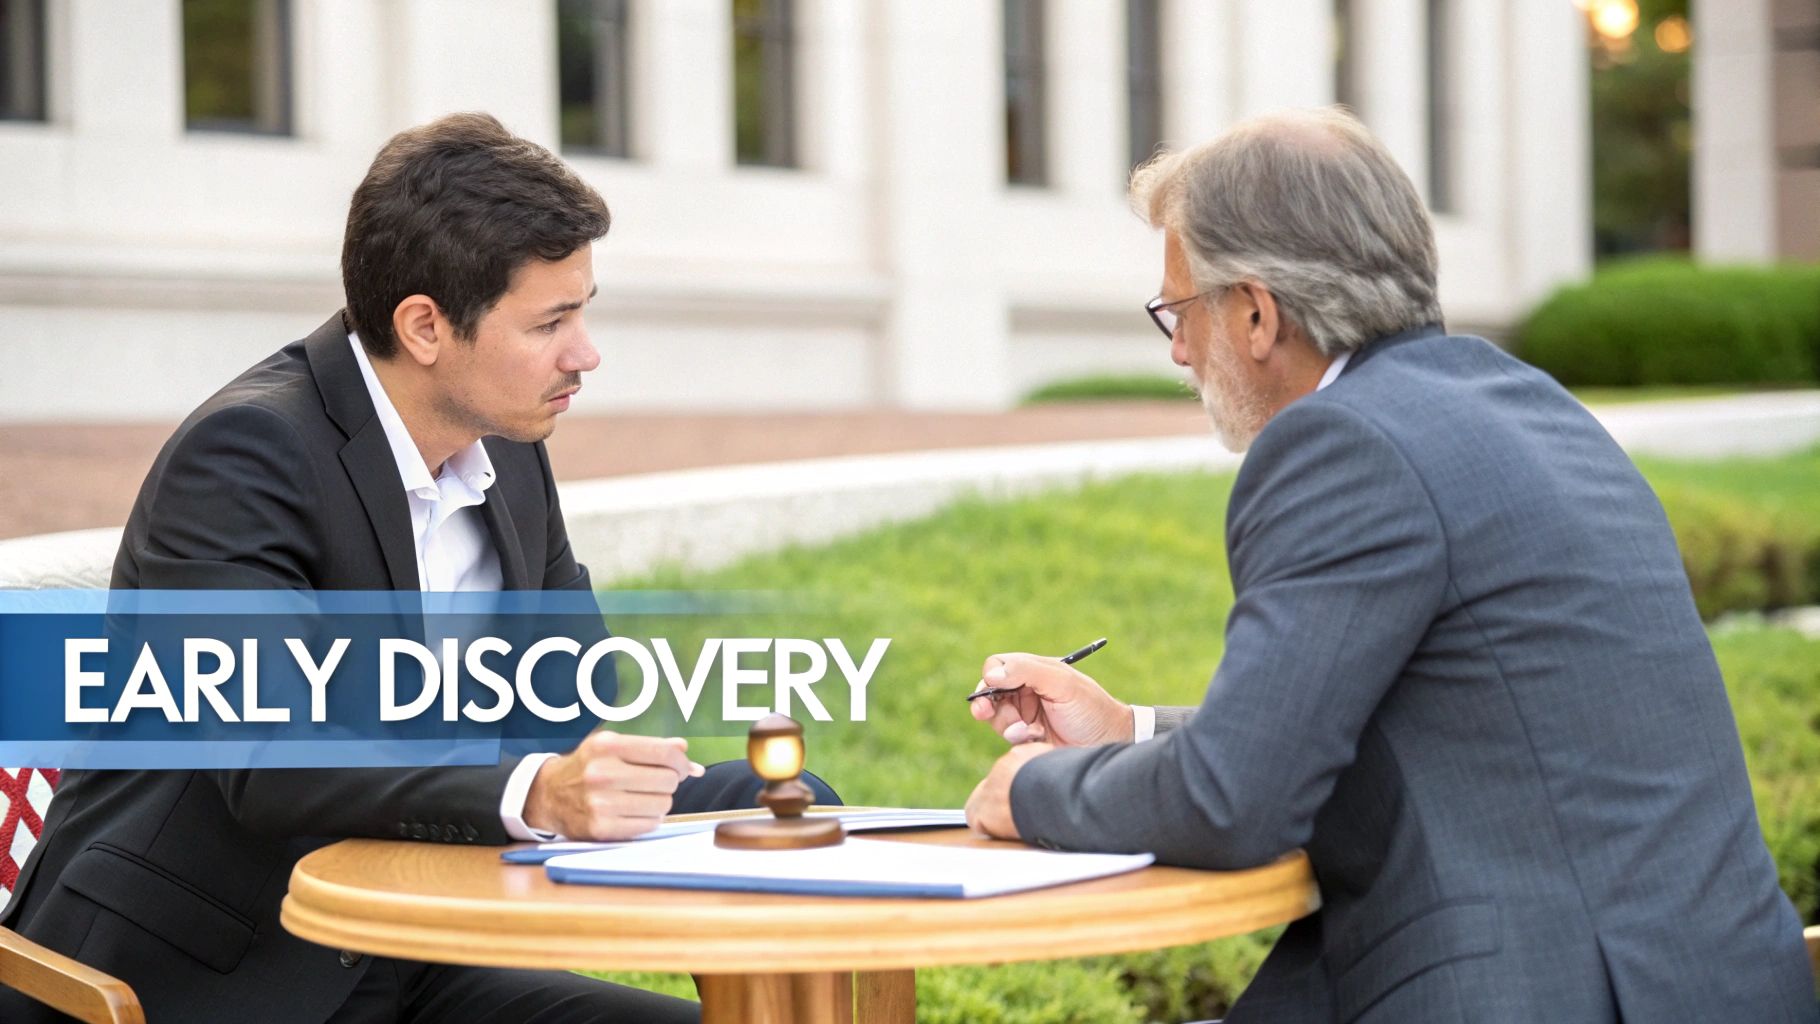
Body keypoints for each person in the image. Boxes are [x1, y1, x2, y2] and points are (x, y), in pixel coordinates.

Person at [963, 108, 1817, 1023]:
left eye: (1179, 310)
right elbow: (1408, 722)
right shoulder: (1530, 406)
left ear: (1256, 312)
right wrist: (1128, 729)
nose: (1176, 349)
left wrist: (1035, 789)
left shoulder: (1341, 445)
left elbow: (1231, 803)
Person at [1, 112, 832, 1024]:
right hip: (203, 972)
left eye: (583, 311)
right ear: (426, 326)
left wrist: (729, 799)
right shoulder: (244, 456)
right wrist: (538, 792)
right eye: (551, 321)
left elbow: (561, 716)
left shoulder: (507, 450)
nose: (585, 353)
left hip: (407, 950)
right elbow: (270, 756)